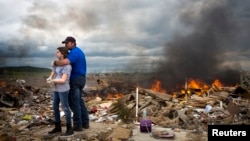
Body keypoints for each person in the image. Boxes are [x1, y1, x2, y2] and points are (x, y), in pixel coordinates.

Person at [52, 36, 89, 131]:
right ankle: (85, 123)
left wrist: (55, 63)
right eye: (65, 43)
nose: (65, 45)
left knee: (74, 102)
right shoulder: (78, 51)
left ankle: (77, 125)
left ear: (73, 43)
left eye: (67, 43)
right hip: (81, 78)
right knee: (79, 101)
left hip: (75, 79)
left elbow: (66, 62)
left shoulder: (75, 52)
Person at [47, 47, 74, 136]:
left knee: (65, 107)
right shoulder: (56, 64)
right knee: (55, 106)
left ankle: (69, 128)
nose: (56, 54)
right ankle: (57, 127)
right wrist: (50, 78)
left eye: (58, 52)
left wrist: (53, 80)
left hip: (63, 89)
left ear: (62, 53)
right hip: (56, 88)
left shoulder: (67, 66)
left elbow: (63, 80)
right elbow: (53, 72)